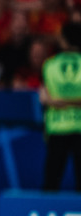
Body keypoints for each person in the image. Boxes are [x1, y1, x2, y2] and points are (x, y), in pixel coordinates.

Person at [39, 21, 81, 191]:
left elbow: (44, 98)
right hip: (79, 127)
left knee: (51, 180)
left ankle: (46, 212)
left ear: (64, 40)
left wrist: (60, 102)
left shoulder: (49, 65)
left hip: (56, 126)